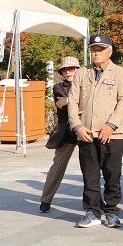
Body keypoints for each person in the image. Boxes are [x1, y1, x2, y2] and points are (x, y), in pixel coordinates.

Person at [68, 34, 123, 228]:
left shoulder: (120, 72)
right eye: (94, 49)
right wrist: (77, 126)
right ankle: (92, 212)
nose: (96, 53)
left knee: (112, 175)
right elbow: (72, 101)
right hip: (86, 133)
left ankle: (112, 212)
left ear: (110, 51)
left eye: (101, 49)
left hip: (112, 134)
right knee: (90, 176)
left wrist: (110, 125)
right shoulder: (81, 73)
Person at [39, 56, 81, 213]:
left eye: (71, 69)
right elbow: (62, 103)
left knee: (90, 168)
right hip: (67, 131)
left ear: (77, 70)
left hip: (85, 130)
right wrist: (79, 100)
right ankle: (46, 199)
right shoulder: (58, 87)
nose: (68, 72)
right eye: (65, 70)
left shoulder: (87, 85)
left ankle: (97, 200)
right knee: (58, 166)